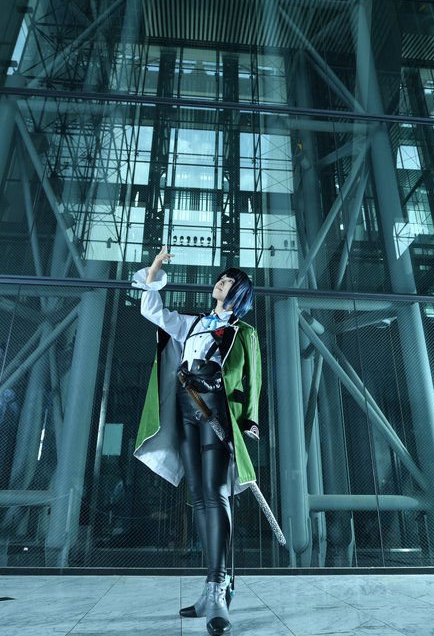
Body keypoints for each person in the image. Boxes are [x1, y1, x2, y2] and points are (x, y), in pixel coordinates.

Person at [132, 246, 262, 636]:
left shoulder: (244, 332)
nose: (221, 282)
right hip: (186, 408)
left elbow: (254, 377)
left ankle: (218, 588)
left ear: (239, 292)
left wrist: (250, 418)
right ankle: (210, 588)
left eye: (229, 280)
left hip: (217, 410)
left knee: (216, 493)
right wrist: (155, 267)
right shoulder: (192, 323)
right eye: (221, 278)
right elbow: (151, 311)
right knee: (200, 496)